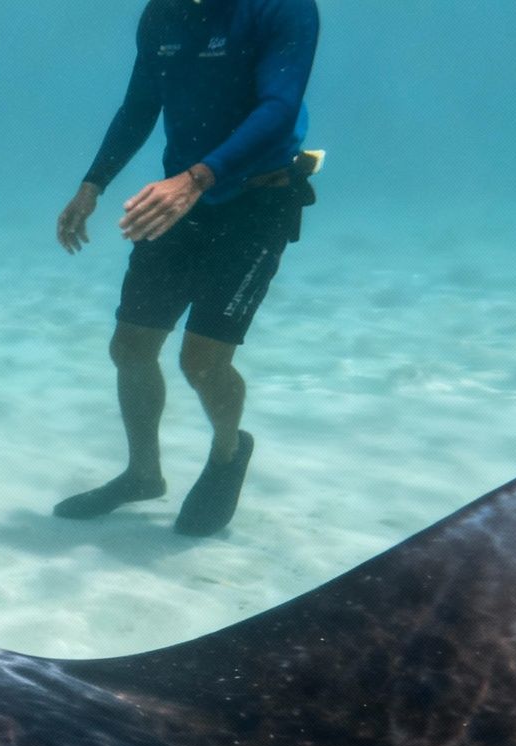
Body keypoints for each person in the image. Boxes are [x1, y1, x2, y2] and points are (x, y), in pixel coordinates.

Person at [52, 0, 320, 537]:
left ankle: (227, 453)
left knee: (202, 362)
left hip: (257, 201)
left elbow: (279, 107)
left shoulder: (282, 8)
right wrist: (92, 184)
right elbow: (140, 104)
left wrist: (198, 178)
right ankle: (142, 474)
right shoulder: (162, 13)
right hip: (179, 199)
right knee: (129, 347)